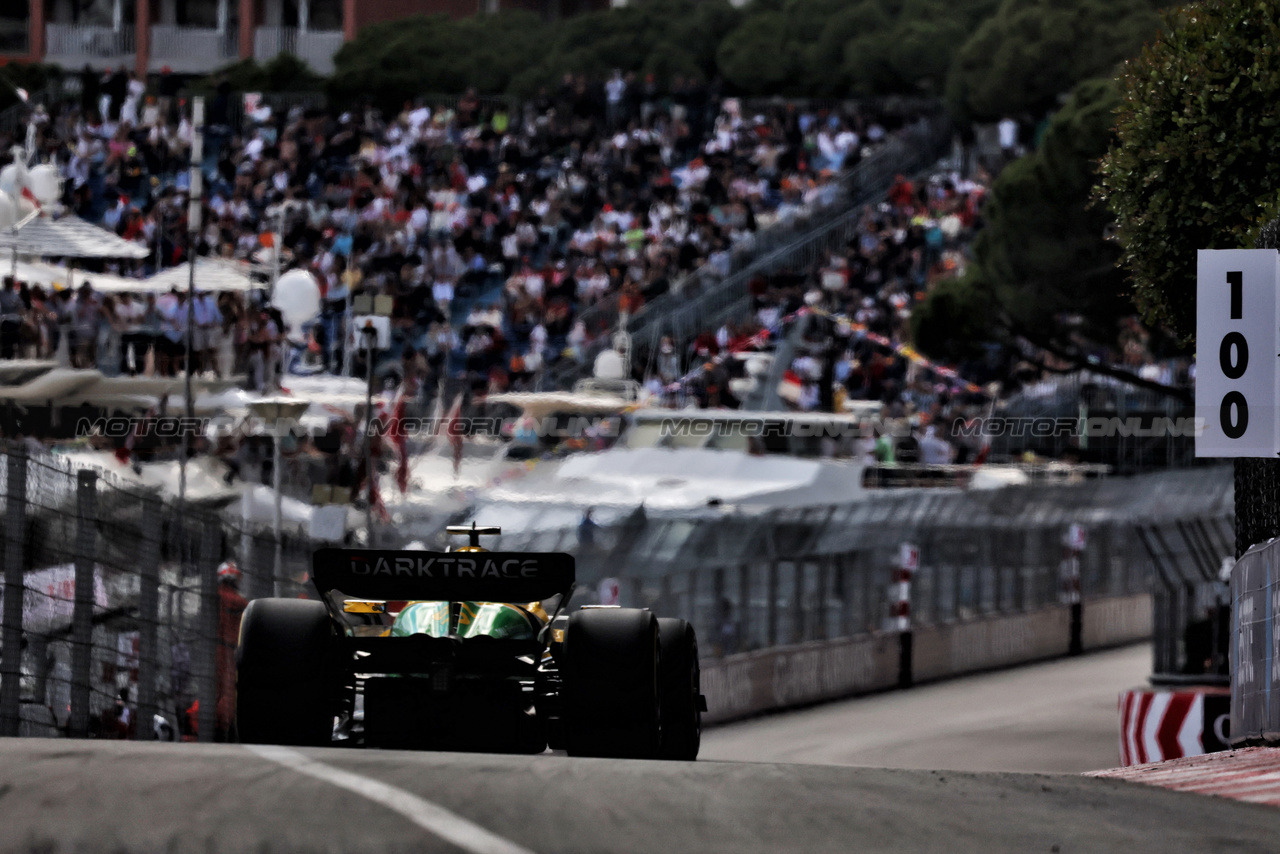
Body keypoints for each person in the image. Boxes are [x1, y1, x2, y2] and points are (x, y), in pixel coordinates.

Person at [215, 561, 248, 742]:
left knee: (216, 691)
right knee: (230, 690)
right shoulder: (240, 602)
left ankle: (216, 727)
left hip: (215, 652)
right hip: (234, 651)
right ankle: (227, 728)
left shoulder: (213, 600)